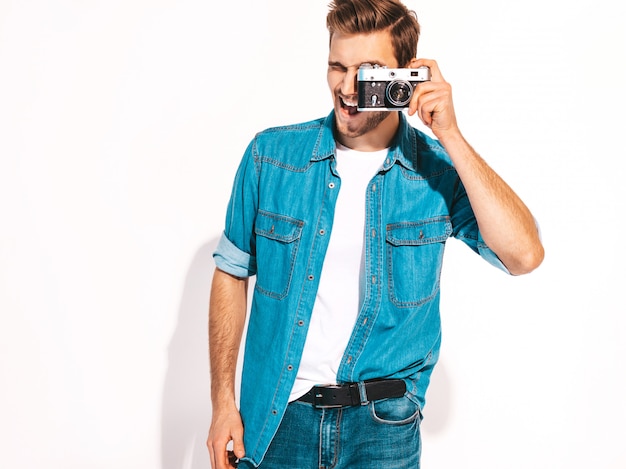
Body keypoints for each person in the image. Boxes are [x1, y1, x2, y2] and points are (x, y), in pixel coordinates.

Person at [206, 0, 544, 467]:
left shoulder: (436, 175)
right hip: (276, 421)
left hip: (383, 430)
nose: (347, 88)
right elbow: (231, 271)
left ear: (407, 76)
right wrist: (223, 403)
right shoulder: (271, 157)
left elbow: (524, 254)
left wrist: (451, 136)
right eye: (337, 67)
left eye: (368, 72)